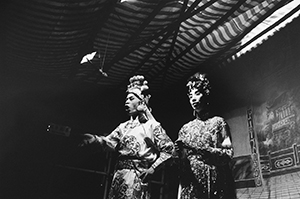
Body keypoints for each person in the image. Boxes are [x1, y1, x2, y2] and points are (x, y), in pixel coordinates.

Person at [80, 75, 174, 199]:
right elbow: (108, 142)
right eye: (126, 99)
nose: (127, 102)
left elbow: (169, 150)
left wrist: (152, 169)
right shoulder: (123, 127)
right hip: (119, 176)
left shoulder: (152, 126)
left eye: (131, 98)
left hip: (137, 178)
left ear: (141, 101)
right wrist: (94, 140)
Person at [174, 72, 236, 199]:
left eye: (197, 93)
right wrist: (178, 153)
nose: (193, 99)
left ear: (206, 94)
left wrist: (206, 151)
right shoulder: (185, 129)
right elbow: (181, 162)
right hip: (191, 183)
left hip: (214, 180)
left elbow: (228, 153)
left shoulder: (219, 123)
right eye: (190, 96)